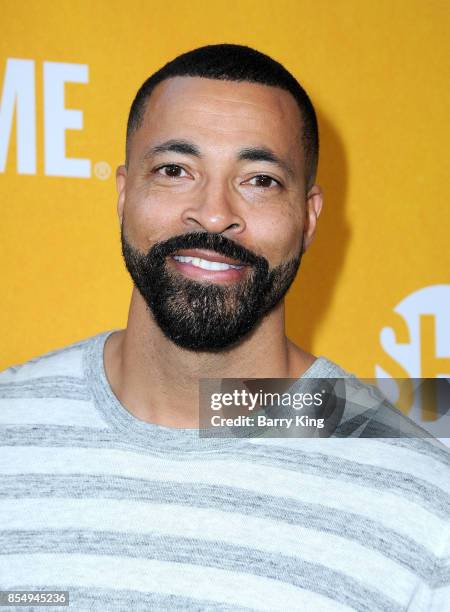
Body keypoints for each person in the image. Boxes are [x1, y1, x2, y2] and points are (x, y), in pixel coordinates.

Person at [0, 44, 448, 611]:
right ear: (122, 193)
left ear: (309, 217)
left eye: (259, 180)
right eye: (174, 170)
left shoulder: (424, 502)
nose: (213, 214)